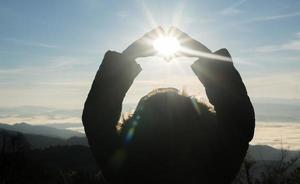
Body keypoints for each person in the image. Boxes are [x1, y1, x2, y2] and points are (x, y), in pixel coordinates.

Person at [82, 27, 255, 184]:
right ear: (203, 125)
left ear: (135, 130)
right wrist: (203, 53)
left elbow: (97, 119)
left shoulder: (126, 171)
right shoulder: (214, 170)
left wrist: (130, 54)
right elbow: (238, 119)